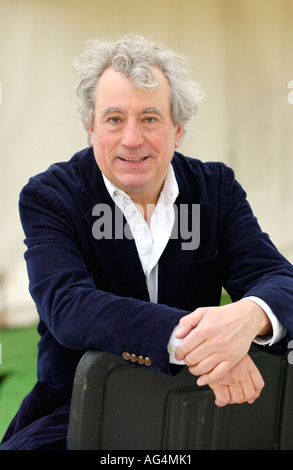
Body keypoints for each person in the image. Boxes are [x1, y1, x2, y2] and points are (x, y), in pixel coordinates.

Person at [1, 34, 293, 450]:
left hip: (203, 400)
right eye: (115, 119)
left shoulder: (216, 189)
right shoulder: (51, 196)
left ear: (178, 129)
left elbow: (278, 278)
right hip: (79, 407)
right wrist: (203, 345)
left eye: (150, 118)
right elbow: (69, 306)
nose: (132, 138)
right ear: (91, 128)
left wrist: (248, 316)